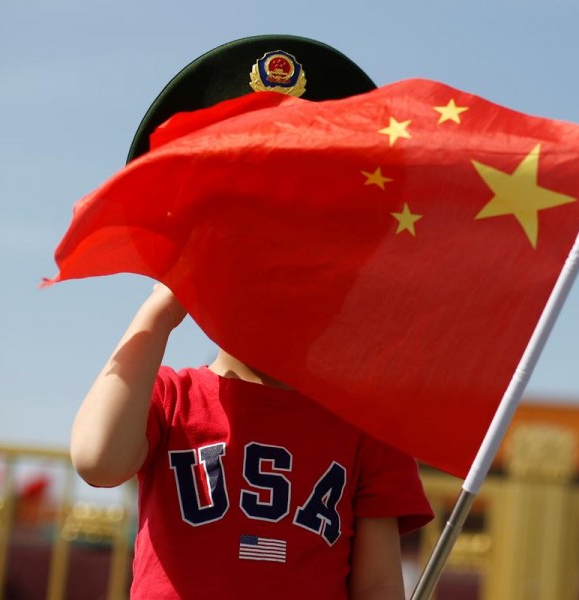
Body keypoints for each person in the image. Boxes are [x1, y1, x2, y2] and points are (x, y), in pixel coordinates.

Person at [69, 35, 433, 599]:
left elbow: (380, 582)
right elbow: (97, 460)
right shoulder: (172, 399)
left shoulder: (367, 428)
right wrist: (160, 311)